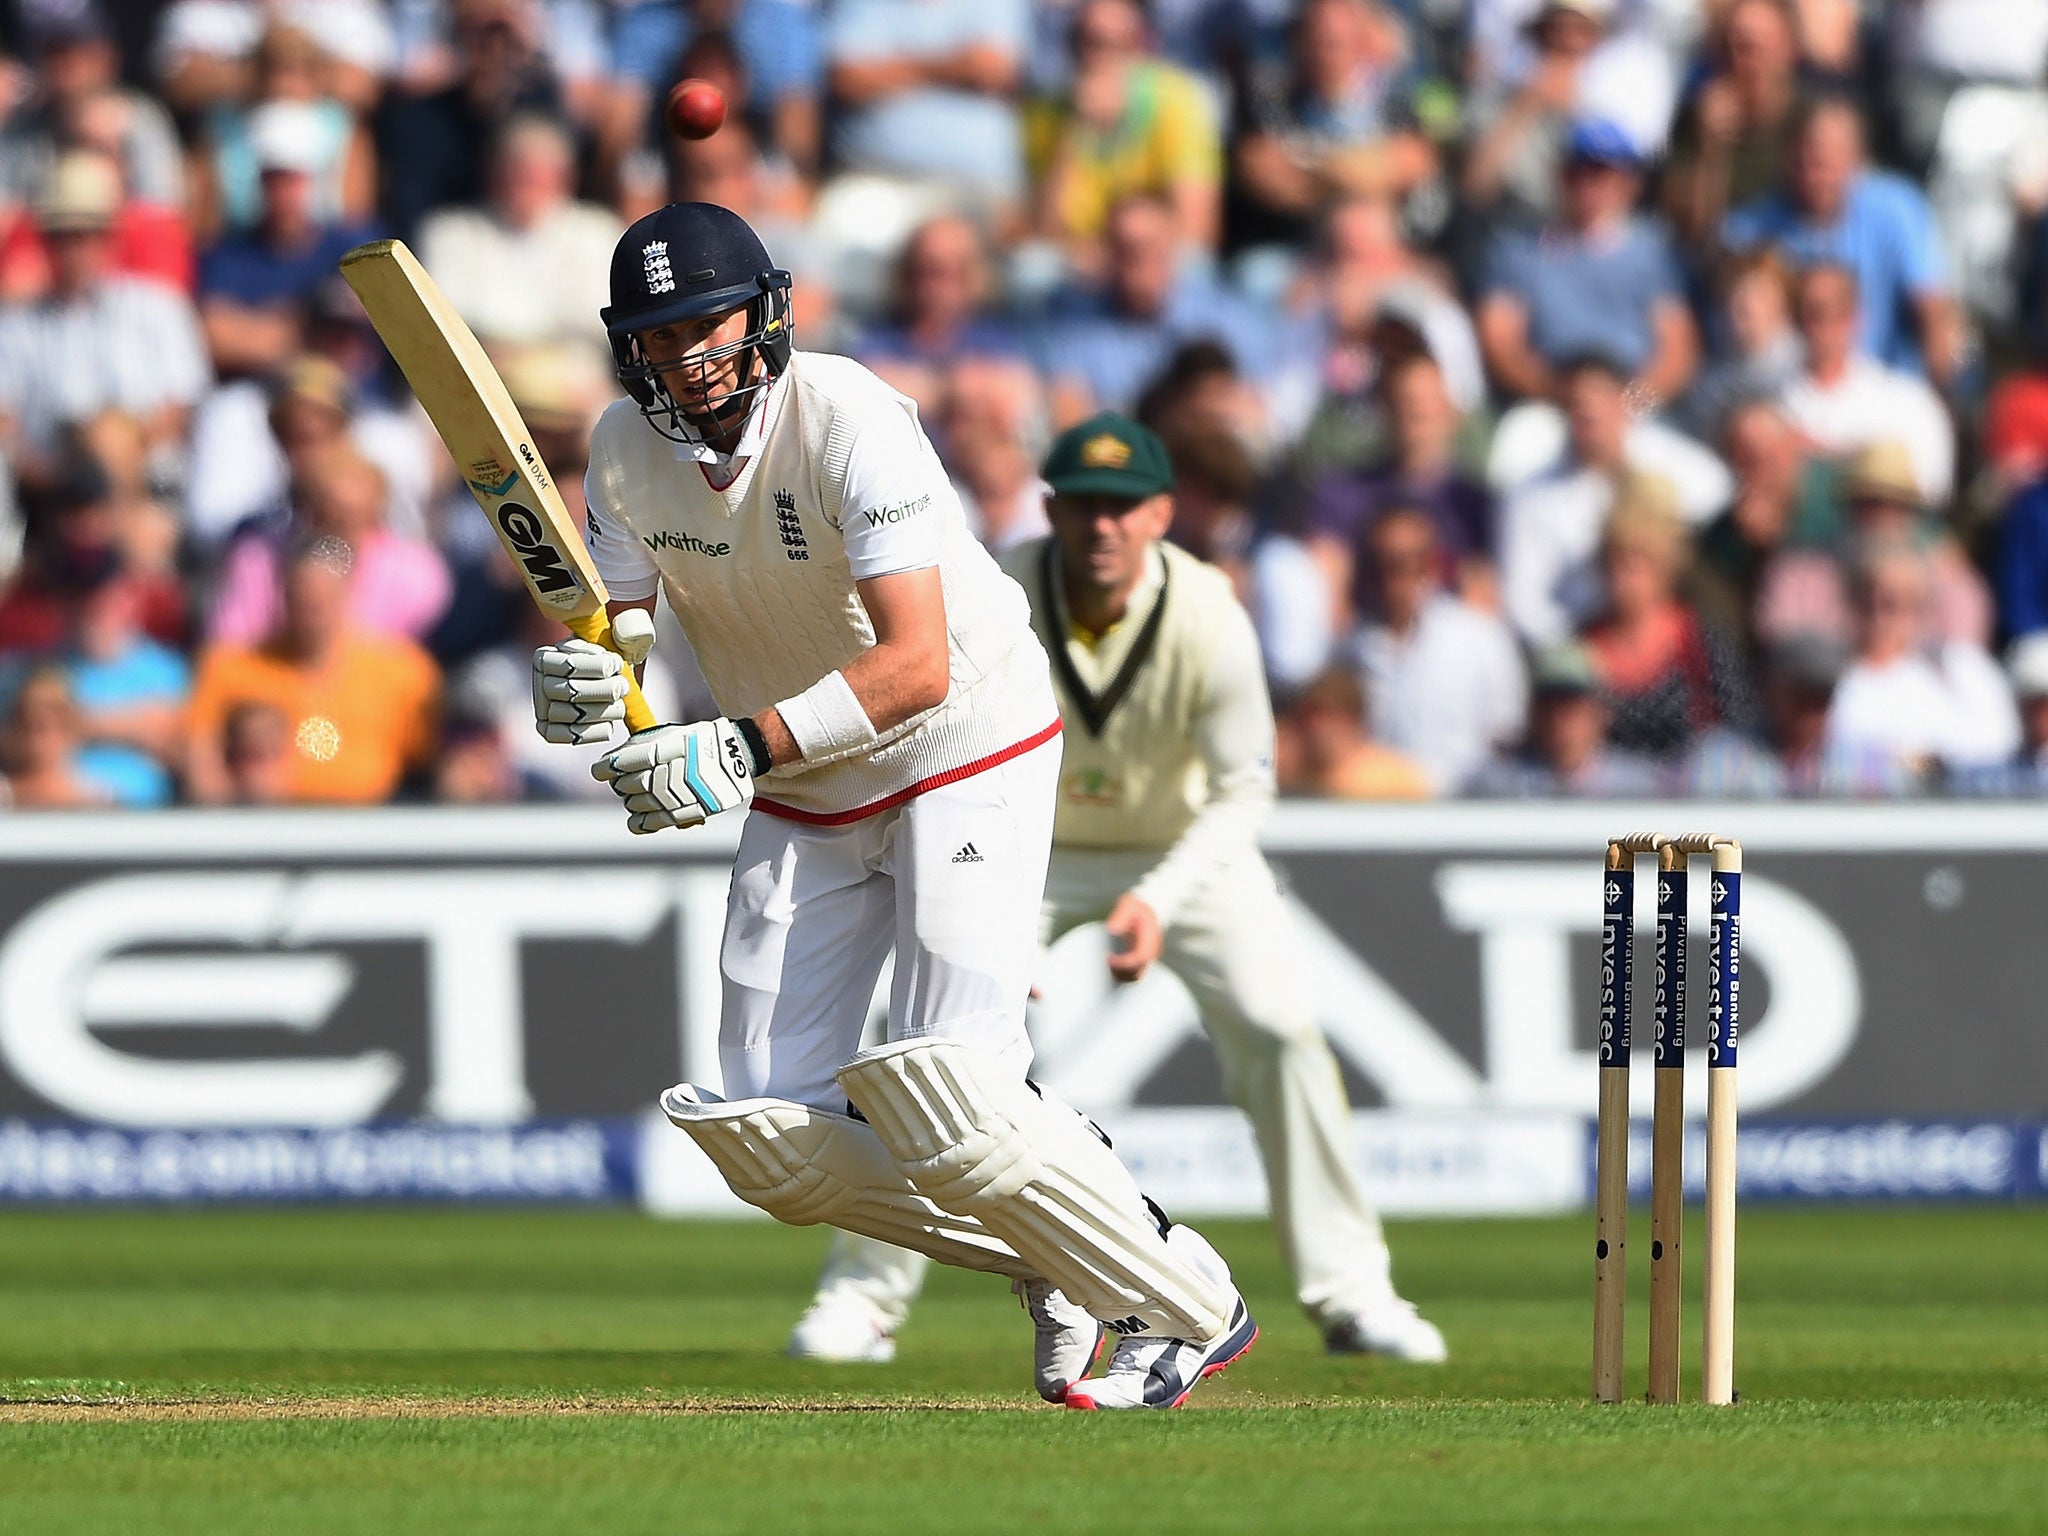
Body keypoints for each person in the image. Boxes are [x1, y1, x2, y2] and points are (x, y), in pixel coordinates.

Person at [529, 203, 1257, 1410]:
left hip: (957, 736)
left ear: (762, 315)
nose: (686, 359)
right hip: (809, 783)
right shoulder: (620, 446)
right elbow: (623, 628)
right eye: (657, 340)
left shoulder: (850, 415)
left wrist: (736, 744)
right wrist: (593, 690)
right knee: (765, 1138)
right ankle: (1060, 1261)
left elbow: (915, 661)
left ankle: (1184, 1300)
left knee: (950, 1089)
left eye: (705, 326)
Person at [783, 412, 1445, 1366]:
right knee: (920, 1050)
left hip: (1177, 854)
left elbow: (1243, 787)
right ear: (1053, 509)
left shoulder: (1208, 612)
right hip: (1026, 842)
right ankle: (863, 1299)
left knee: (1280, 1029)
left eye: (1124, 509)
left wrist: (1160, 901)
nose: (1103, 528)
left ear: (1161, 515)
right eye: (1085, 506)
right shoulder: (995, 583)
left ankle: (1353, 1294)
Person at [1722, 94, 1959, 385]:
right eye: (1803, 160)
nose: (1813, 175)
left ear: (1857, 159)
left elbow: (1934, 309)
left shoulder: (1897, 208)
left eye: (1825, 162)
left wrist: (1937, 397)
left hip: (1884, 386)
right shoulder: (1747, 231)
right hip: (1784, 389)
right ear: (1785, 157)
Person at [1476, 117, 1697, 407]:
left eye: (1601, 172)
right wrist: (1564, 399)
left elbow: (1677, 352)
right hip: (1549, 405)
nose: (1589, 185)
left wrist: (1631, 405)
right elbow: (1501, 344)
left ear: (1630, 182)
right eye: (1577, 171)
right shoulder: (1517, 249)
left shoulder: (1652, 250)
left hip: (1633, 408)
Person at [1350, 503, 1527, 794]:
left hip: (1466, 812)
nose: (1391, 580)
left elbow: (1506, 737)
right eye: (1379, 564)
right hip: (1380, 814)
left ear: (1431, 564)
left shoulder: (1482, 639)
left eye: (1403, 563)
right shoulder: (1349, 652)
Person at [1464, 641, 1662, 796]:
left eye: (1573, 708)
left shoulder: (1637, 788)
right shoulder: (1498, 786)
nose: (1560, 721)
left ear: (1600, 713)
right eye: (1550, 707)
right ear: (1533, 714)